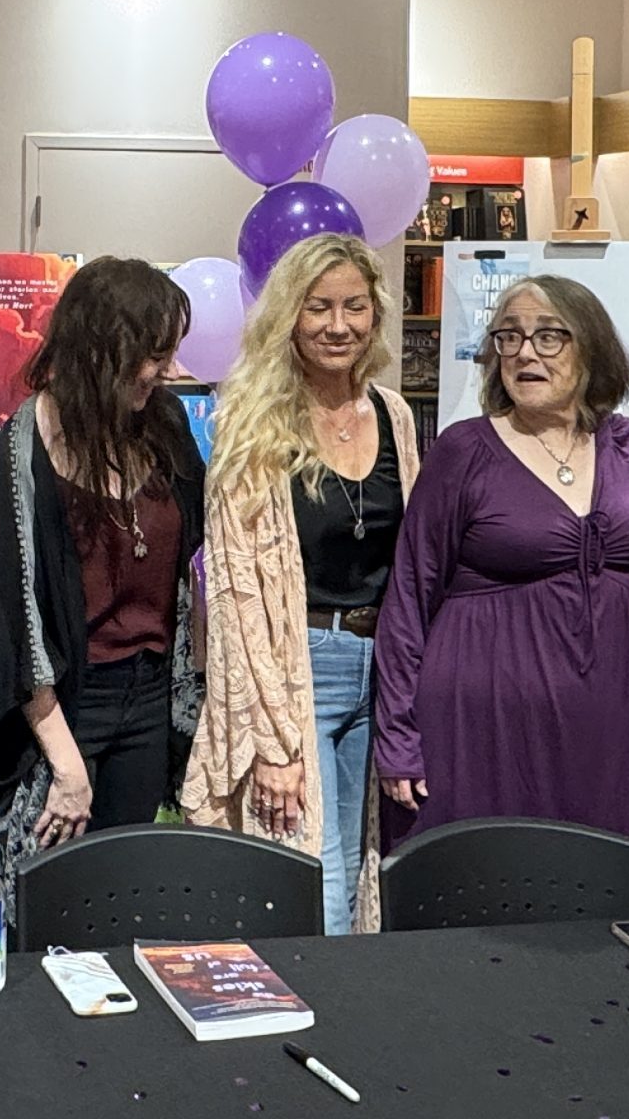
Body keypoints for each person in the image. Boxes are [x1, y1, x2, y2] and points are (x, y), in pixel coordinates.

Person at [373, 275, 629, 847]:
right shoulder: (463, 450)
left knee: (597, 892)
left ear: (590, 347)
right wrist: (398, 737)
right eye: (508, 338)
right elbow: (409, 599)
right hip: (477, 720)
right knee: (479, 892)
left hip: (606, 718)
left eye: (548, 336)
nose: (524, 353)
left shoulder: (628, 446)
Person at [182, 234, 421, 935]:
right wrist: (274, 741)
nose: (337, 326)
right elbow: (234, 593)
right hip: (297, 675)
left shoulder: (396, 416)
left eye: (354, 307)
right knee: (316, 882)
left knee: (366, 872)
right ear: (289, 314)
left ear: (376, 316)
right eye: (319, 308)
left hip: (381, 672)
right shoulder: (252, 421)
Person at [0, 257, 203, 880]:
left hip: (149, 697)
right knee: (50, 901)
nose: (163, 370)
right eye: (149, 352)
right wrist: (66, 764)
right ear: (99, 345)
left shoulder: (165, 425)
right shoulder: (27, 444)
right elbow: (12, 623)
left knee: (126, 894)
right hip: (62, 707)